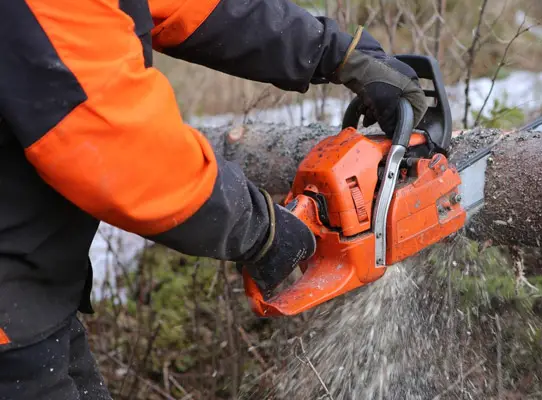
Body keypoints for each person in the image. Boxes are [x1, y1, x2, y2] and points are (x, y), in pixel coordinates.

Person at [0, 0, 427, 398]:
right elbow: (115, 146)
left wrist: (331, 49)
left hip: (34, 294)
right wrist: (259, 229)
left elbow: (191, 6)